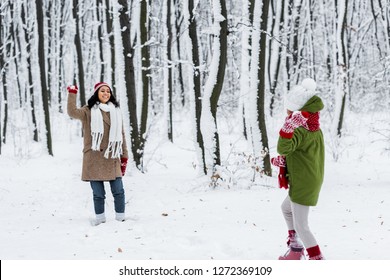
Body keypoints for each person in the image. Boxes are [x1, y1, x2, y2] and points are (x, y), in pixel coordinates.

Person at [272, 78, 325, 260]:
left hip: (303, 182)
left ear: (296, 111)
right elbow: (301, 153)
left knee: (302, 225)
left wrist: (287, 129)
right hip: (308, 178)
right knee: (286, 209)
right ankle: (295, 249)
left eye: (289, 109)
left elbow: (284, 148)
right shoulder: (314, 128)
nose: (286, 112)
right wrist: (285, 163)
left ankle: (317, 258)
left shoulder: (301, 130)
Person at [67, 82, 129, 226]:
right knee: (98, 194)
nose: (106, 93)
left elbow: (122, 135)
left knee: (119, 191)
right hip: (94, 158)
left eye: (108, 91)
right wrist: (72, 93)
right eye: (102, 91)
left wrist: (124, 156)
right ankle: (100, 221)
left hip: (112, 156)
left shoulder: (116, 111)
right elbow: (72, 112)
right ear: (97, 93)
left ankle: (121, 220)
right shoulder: (88, 111)